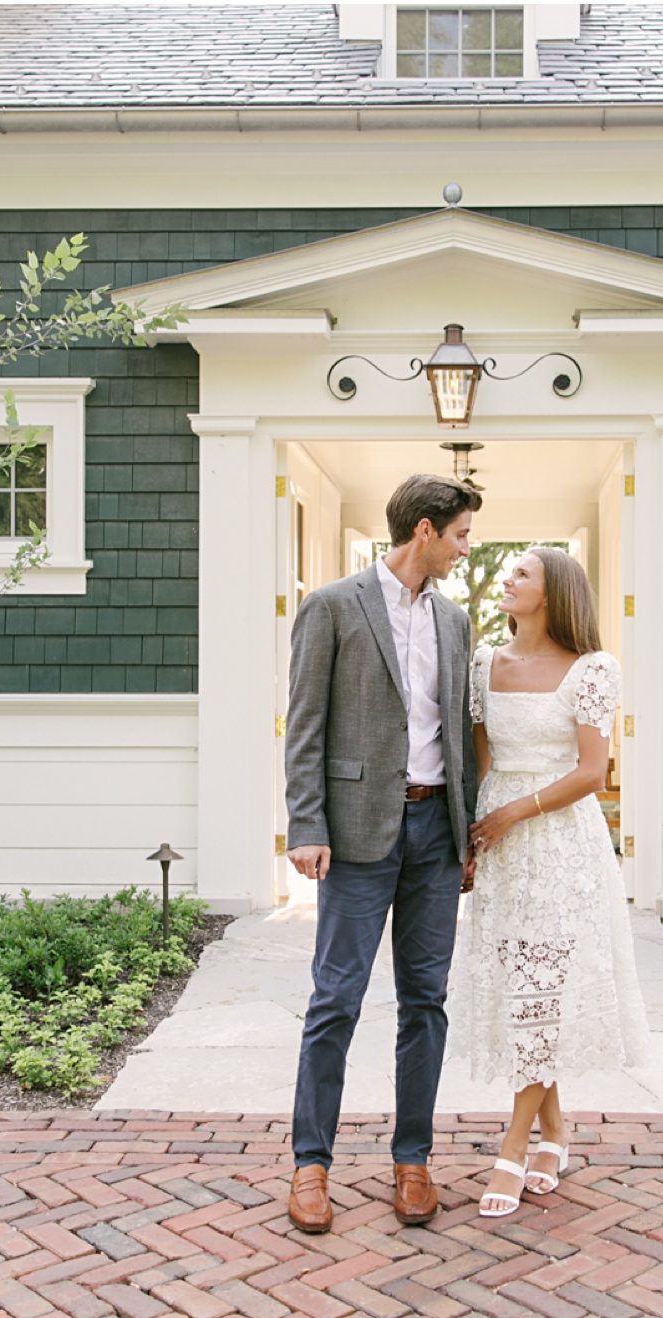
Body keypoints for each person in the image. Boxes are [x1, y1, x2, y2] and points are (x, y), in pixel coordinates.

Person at [282, 474, 483, 1234]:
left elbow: (459, 734)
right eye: (461, 535)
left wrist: (464, 834)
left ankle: (412, 1160)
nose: (467, 549)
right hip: (359, 831)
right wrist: (307, 823)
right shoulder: (333, 605)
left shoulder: (456, 621)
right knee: (335, 998)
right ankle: (311, 1164)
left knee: (424, 1002)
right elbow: (304, 723)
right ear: (425, 531)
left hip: (435, 836)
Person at [448, 546, 648, 1219]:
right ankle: (556, 1132)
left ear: (554, 590)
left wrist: (516, 811)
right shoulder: (485, 663)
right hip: (500, 842)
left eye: (522, 573)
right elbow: (481, 756)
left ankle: (513, 1143)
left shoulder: (593, 669)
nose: (507, 579)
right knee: (520, 987)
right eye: (509, 573)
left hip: (562, 842)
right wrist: (475, 835)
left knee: (544, 985)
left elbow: (593, 771)